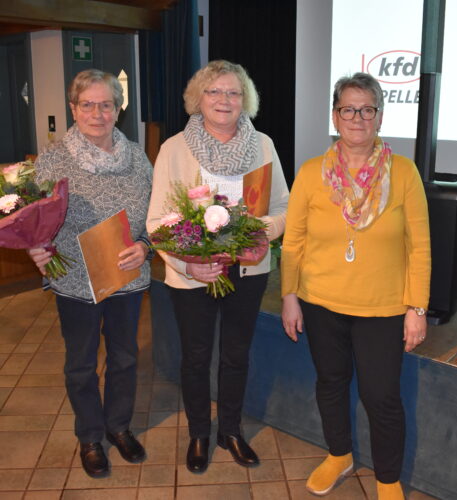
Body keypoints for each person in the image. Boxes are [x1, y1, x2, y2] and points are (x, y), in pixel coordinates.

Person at [281, 72, 430, 499]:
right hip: (320, 302)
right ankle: (339, 455)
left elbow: (420, 246)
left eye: (367, 109)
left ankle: (388, 479)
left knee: (381, 396)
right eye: (348, 109)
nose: (358, 118)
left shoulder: (404, 173)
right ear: (335, 116)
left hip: (382, 308)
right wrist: (289, 296)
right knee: (330, 383)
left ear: (380, 117)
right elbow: (293, 242)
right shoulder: (312, 173)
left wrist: (417, 308)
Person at [147, 60, 289, 473]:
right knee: (195, 357)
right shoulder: (174, 148)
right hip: (194, 273)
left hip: (247, 270)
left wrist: (261, 229)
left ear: (245, 100)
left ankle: (230, 430)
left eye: (233, 92)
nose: (224, 100)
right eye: (214, 91)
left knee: (236, 355)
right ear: (199, 98)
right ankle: (199, 433)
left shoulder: (263, 145)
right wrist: (188, 266)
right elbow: (156, 222)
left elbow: (283, 207)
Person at [28, 69, 153, 478]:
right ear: (73, 108)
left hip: (126, 276)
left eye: (106, 105)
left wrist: (145, 246)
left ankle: (118, 426)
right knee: (81, 364)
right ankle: (90, 436)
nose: (97, 114)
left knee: (124, 358)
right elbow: (31, 216)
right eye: (87, 105)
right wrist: (36, 246)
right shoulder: (53, 158)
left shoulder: (138, 157)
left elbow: (158, 214)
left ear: (118, 109)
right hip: (74, 280)